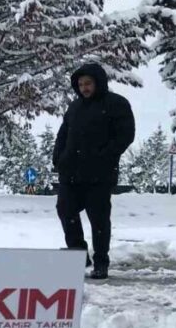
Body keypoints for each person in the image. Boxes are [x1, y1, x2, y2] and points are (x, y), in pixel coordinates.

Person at [52, 63, 135, 279]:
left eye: (88, 83)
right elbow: (63, 135)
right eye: (80, 84)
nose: (84, 88)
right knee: (65, 210)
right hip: (70, 172)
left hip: (99, 174)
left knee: (98, 219)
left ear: (98, 82)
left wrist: (104, 156)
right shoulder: (74, 107)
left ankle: (101, 262)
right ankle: (78, 255)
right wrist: (58, 158)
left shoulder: (116, 104)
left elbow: (125, 135)